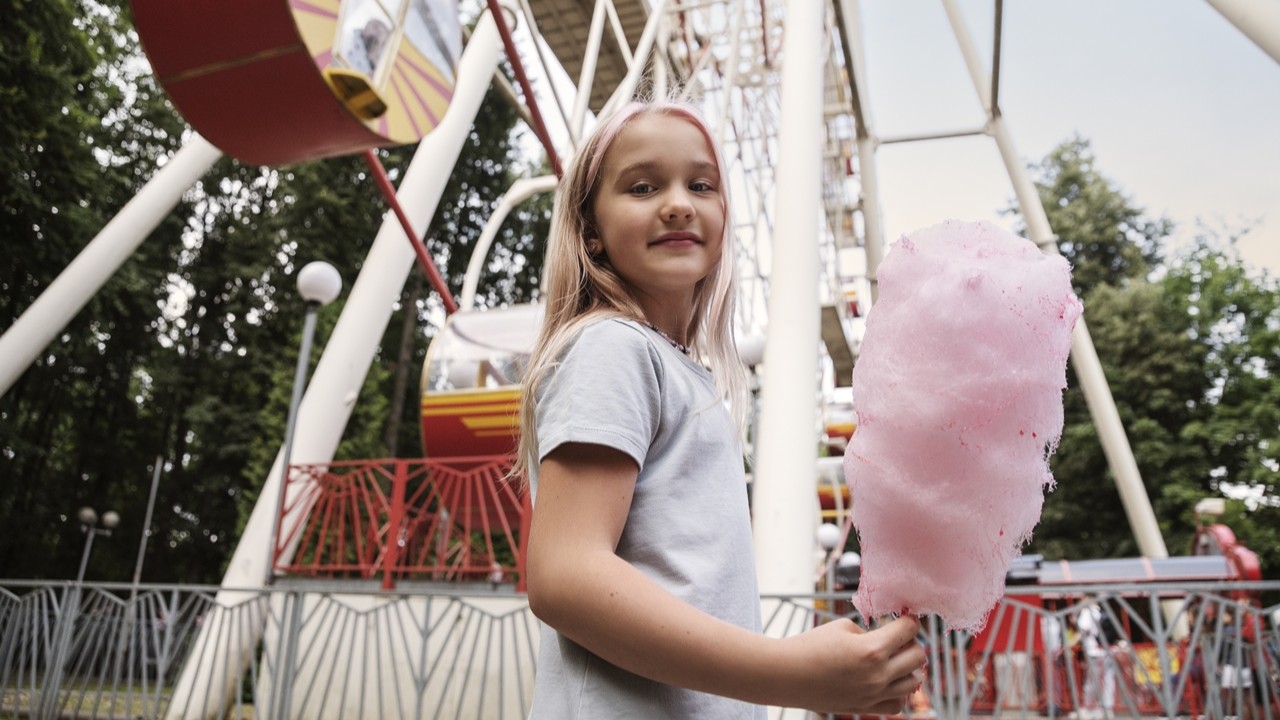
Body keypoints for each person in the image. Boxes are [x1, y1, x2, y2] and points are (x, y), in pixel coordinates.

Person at [516, 97, 926, 718]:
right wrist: (792, 675)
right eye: (643, 185)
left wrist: (829, 681)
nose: (678, 202)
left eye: (700, 184)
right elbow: (565, 576)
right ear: (590, 232)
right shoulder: (612, 347)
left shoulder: (685, 373)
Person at [1076, 600, 1116, 719]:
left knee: (1092, 682)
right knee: (1108, 680)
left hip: (1094, 651)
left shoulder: (1087, 612)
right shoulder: (1104, 612)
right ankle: (1107, 708)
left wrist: (1070, 643)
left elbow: (1083, 630)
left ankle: (1090, 709)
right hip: (1107, 650)